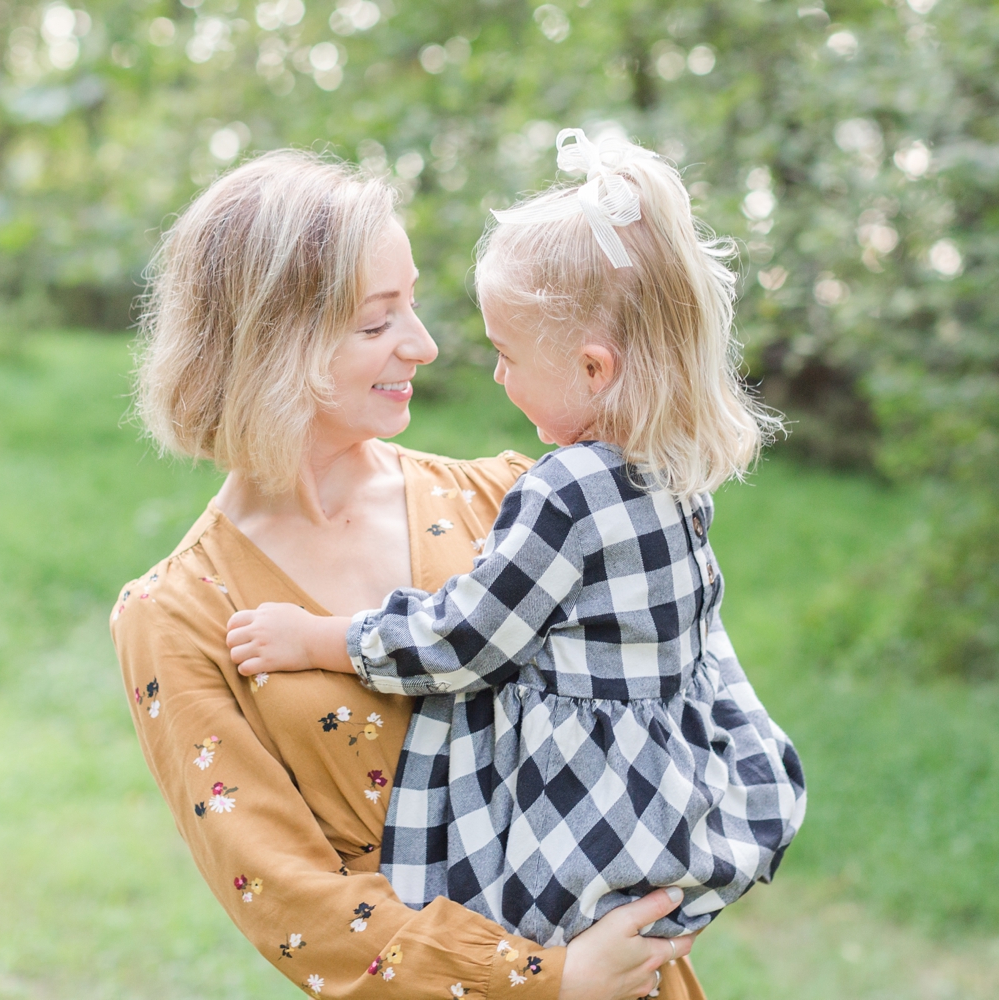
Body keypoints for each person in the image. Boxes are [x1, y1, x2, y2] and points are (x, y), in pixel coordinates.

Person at [112, 148, 706, 999]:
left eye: (413, 305)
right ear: (273, 342)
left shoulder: (513, 499)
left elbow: (685, 699)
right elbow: (292, 902)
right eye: (377, 322)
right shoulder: (177, 616)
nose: (423, 346)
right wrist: (550, 981)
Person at [225, 130, 807, 951]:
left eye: (507, 355)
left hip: (573, 832)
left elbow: (465, 637)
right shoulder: (674, 483)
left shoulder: (562, 489)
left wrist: (320, 638)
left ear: (594, 369)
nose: (495, 376)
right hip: (662, 814)